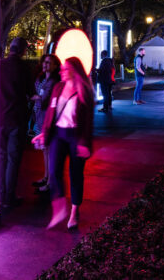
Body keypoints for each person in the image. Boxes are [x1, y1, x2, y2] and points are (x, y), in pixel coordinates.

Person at [32, 56, 94, 230]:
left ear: (74, 71)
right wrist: (43, 133)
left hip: (75, 135)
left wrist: (84, 143)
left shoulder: (84, 91)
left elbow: (88, 121)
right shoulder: (58, 87)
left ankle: (74, 211)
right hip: (58, 134)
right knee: (53, 171)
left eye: (65, 69)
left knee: (76, 174)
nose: (61, 71)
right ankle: (59, 207)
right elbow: (51, 114)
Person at [0, 37, 33, 208]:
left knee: (0, 157)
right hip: (16, 119)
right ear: (22, 50)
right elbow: (31, 92)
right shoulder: (24, 67)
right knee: (12, 159)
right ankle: (9, 196)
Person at [31, 54, 61, 193]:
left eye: (49, 63)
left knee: (48, 149)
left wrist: (34, 97)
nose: (45, 65)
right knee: (44, 149)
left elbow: (44, 99)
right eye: (44, 62)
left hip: (47, 118)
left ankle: (50, 182)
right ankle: (46, 176)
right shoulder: (41, 78)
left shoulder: (54, 82)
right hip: (39, 116)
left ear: (55, 66)